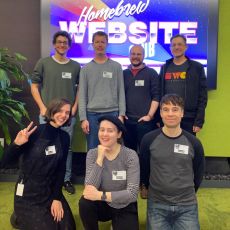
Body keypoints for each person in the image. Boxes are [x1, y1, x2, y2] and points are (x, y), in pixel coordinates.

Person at [1, 98, 76, 230]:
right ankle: (19, 215)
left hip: (49, 188)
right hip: (28, 190)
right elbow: (5, 162)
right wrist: (16, 145)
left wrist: (57, 198)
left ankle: (21, 217)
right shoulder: (34, 132)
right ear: (52, 111)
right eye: (60, 110)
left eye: (67, 112)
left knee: (67, 226)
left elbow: (61, 169)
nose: (64, 115)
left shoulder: (64, 137)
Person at [140, 94, 205, 230]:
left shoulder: (194, 143)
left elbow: (198, 174)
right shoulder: (148, 140)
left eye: (175, 109)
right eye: (166, 109)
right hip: (157, 205)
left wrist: (186, 194)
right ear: (161, 113)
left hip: (187, 206)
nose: (170, 114)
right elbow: (144, 169)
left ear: (182, 113)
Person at [30, 30, 81, 194]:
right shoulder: (43, 63)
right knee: (45, 146)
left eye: (65, 42)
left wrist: (74, 108)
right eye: (59, 42)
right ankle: (46, 177)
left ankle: (65, 179)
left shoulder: (75, 66)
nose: (62, 45)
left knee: (67, 147)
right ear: (54, 44)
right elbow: (34, 86)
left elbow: (80, 88)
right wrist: (42, 107)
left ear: (69, 46)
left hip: (67, 116)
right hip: (47, 115)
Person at [79, 115, 140, 230]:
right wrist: (100, 158)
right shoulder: (93, 154)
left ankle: (116, 224)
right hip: (102, 205)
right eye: (102, 130)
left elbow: (132, 194)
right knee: (85, 203)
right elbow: (89, 189)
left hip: (124, 204)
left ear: (119, 134)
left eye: (110, 131)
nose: (104, 134)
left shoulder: (130, 155)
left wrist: (101, 195)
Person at [78, 31, 126, 150]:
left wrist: (121, 114)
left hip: (113, 113)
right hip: (92, 116)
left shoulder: (116, 67)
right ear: (93, 44)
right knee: (93, 149)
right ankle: (93, 170)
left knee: (112, 148)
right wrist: (83, 118)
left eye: (102, 42)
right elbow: (82, 95)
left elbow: (121, 91)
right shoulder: (85, 69)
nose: (100, 44)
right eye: (97, 42)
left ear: (107, 44)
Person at [123, 45, 160, 198]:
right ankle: (132, 183)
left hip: (145, 122)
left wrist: (150, 116)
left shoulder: (151, 73)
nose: (135, 56)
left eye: (139, 54)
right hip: (127, 121)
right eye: (133, 54)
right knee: (129, 155)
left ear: (144, 55)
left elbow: (156, 96)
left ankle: (145, 184)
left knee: (145, 154)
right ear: (129, 55)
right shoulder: (123, 73)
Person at [159, 34, 208, 135]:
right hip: (168, 116)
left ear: (186, 47)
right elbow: (159, 93)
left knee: (186, 149)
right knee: (167, 147)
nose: (177, 47)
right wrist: (158, 118)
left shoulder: (196, 67)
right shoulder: (164, 68)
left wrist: (199, 121)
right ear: (170, 48)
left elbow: (202, 96)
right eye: (174, 45)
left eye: (180, 44)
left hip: (188, 118)